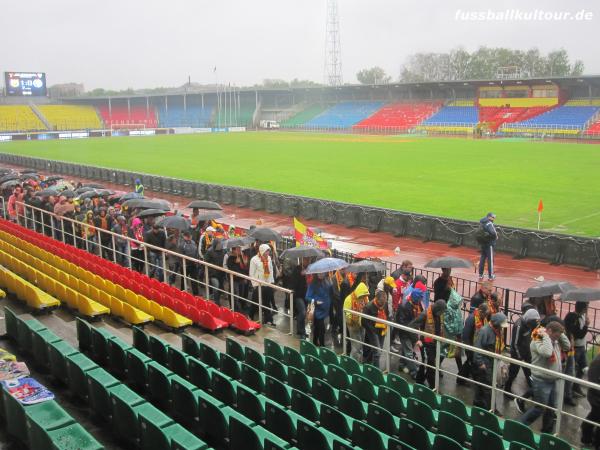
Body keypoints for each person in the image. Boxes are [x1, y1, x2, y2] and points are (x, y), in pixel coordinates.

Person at [518, 321, 570, 434]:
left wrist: (560, 334)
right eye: (556, 335)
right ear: (549, 331)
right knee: (539, 408)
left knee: (551, 408)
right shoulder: (539, 338)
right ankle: (519, 427)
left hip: (552, 379)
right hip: (541, 380)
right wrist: (546, 335)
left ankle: (547, 432)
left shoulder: (555, 341)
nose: (557, 338)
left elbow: (567, 346)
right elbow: (547, 352)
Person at [472, 312, 508, 411]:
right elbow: (478, 348)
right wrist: (481, 363)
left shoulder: (497, 331)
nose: (502, 328)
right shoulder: (484, 331)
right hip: (485, 364)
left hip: (492, 363)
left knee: (481, 386)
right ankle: (492, 409)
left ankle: (477, 404)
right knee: (489, 389)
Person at [410, 299, 447, 388]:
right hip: (426, 345)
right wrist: (416, 340)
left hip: (434, 345)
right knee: (430, 366)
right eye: (441, 312)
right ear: (437, 309)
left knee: (425, 363)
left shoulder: (438, 315)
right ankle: (433, 387)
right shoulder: (425, 314)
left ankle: (419, 381)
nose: (442, 314)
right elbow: (411, 326)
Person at [505, 308, 540, 397]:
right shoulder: (519, 326)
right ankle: (506, 390)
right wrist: (520, 358)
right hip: (517, 355)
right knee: (513, 373)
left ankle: (533, 391)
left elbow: (533, 335)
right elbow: (515, 344)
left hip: (527, 353)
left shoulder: (530, 325)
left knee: (529, 373)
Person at [395, 282, 424, 378]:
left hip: (412, 331)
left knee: (406, 349)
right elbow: (405, 324)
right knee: (409, 352)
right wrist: (416, 339)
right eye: (420, 298)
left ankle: (402, 364)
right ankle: (414, 372)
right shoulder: (404, 306)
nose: (421, 300)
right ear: (416, 299)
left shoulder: (416, 304)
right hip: (405, 332)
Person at [565, 302, 589, 399]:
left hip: (582, 347)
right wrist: (586, 326)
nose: (587, 309)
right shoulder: (572, 318)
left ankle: (576, 386)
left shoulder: (582, 317)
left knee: (583, 367)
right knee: (571, 371)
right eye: (586, 307)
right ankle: (568, 394)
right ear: (583, 309)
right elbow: (579, 335)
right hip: (575, 348)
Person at [249, 244, 275, 326]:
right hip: (258, 285)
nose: (268, 253)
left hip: (268, 284)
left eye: (268, 251)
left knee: (266, 303)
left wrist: (272, 282)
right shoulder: (254, 260)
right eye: (267, 251)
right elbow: (251, 273)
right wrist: (255, 285)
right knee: (255, 302)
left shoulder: (269, 259)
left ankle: (269, 320)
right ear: (262, 251)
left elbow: (271, 270)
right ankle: (250, 316)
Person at [362, 290, 389, 368]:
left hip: (383, 329)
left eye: (384, 302)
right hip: (373, 331)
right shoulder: (368, 307)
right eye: (381, 303)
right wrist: (372, 330)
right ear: (376, 299)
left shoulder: (385, 304)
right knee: (377, 352)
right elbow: (363, 321)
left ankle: (367, 360)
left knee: (378, 350)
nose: (383, 305)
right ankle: (376, 370)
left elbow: (387, 314)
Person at [343, 282, 370, 360]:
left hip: (362, 324)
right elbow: (346, 314)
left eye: (365, 296)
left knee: (361, 344)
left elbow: (367, 308)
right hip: (353, 326)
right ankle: (354, 362)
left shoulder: (365, 298)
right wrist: (354, 320)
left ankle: (359, 360)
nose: (364, 297)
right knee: (356, 346)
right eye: (362, 296)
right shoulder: (349, 299)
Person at [306, 273, 333, 347]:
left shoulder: (327, 281)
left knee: (318, 328)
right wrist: (315, 301)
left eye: (322, 273)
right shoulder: (312, 284)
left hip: (326, 310)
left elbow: (330, 291)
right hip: (318, 311)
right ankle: (321, 345)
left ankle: (315, 342)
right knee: (321, 329)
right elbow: (307, 297)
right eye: (320, 273)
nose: (321, 274)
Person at [444, 286, 464, 376]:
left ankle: (461, 372)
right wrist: (454, 332)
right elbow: (446, 322)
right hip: (450, 335)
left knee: (457, 353)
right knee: (443, 351)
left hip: (457, 335)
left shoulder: (456, 307)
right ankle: (435, 367)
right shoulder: (448, 308)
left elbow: (459, 320)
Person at [582, 353, 600, 448]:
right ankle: (592, 440)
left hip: (596, 397)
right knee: (594, 417)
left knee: (594, 417)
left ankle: (589, 439)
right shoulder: (597, 362)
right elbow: (594, 384)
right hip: (596, 398)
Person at [477, 212, 498, 281]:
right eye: (493, 217)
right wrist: (495, 237)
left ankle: (480, 274)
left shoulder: (482, 222)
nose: (494, 218)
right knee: (490, 260)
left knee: (482, 258)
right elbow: (492, 232)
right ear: (489, 217)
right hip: (489, 244)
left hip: (483, 243)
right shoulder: (489, 223)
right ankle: (491, 276)